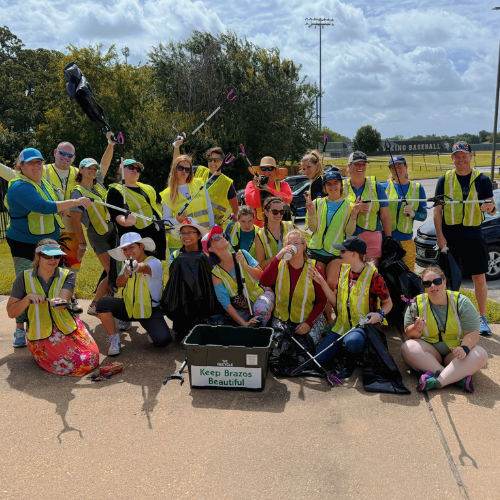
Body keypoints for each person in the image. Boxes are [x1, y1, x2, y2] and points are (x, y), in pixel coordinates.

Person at [5, 148, 91, 348]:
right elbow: (43, 207)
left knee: (49, 280)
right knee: (26, 283)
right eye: (30, 163)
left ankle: (48, 322)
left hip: (48, 241)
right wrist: (74, 202)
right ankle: (20, 329)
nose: (36, 166)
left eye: (39, 162)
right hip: (24, 242)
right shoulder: (19, 187)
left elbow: (54, 201)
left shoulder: (43, 182)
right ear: (21, 166)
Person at [6, 239, 99, 375]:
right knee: (74, 364)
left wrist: (59, 302)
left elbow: (62, 302)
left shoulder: (68, 275)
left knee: (92, 357)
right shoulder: (23, 277)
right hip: (39, 331)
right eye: (47, 256)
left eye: (56, 256)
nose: (53, 260)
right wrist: (27, 298)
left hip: (67, 327)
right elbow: (11, 312)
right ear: (37, 256)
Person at [434, 141, 497, 336]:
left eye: (464, 155)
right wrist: (440, 237)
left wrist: (491, 209)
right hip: (450, 238)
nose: (461, 159)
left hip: (474, 236)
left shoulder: (483, 180)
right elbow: (437, 212)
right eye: (457, 156)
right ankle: (448, 315)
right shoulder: (444, 180)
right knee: (447, 280)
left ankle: (481, 317)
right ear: (452, 158)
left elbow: (492, 208)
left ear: (471, 156)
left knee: (479, 277)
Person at [401, 266, 488, 393]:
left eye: (436, 281)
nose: (432, 286)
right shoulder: (416, 304)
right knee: (407, 348)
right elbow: (410, 334)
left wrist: (464, 348)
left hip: (455, 354)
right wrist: (416, 328)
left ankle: (438, 381)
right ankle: (455, 377)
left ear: (444, 281)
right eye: (427, 283)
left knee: (481, 354)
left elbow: (473, 332)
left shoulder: (461, 302)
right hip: (430, 354)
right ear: (424, 286)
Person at [312, 236, 392, 365]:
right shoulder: (344, 271)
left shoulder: (374, 276)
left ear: (353, 254)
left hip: (362, 326)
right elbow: (335, 300)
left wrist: (380, 314)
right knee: (319, 359)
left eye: (343, 251)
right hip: (342, 325)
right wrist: (322, 283)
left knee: (352, 343)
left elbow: (388, 303)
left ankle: (361, 350)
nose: (339, 254)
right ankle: (345, 347)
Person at [96, 233, 173, 355]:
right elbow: (119, 283)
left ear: (141, 246)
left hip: (149, 310)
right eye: (125, 250)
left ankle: (149, 328)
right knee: (102, 303)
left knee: (162, 341)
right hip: (129, 307)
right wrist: (126, 273)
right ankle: (114, 339)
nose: (128, 252)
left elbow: (144, 268)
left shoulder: (154, 262)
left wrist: (136, 267)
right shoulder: (127, 264)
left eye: (131, 247)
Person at [260, 230, 327, 346]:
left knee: (303, 349)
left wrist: (309, 323)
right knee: (278, 348)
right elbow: (264, 281)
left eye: (296, 243)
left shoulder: (314, 269)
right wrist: (277, 258)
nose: (292, 247)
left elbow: (322, 300)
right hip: (282, 319)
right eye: (288, 244)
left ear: (304, 246)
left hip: (306, 320)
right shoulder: (279, 264)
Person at [70, 158, 117, 315]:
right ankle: (95, 305)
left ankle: (106, 301)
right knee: (112, 271)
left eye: (94, 168)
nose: (92, 170)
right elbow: (75, 221)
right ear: (80, 170)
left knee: (116, 270)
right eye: (88, 168)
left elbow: (105, 163)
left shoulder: (99, 186)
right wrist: (82, 244)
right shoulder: (77, 192)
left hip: (112, 232)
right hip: (98, 236)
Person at [203, 226, 273, 326]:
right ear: (211, 248)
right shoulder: (217, 274)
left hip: (261, 294)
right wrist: (245, 323)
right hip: (243, 306)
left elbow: (261, 277)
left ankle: (264, 330)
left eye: (221, 235)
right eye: (216, 238)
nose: (222, 237)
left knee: (261, 311)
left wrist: (244, 264)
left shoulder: (243, 254)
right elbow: (225, 303)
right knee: (237, 324)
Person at [305, 171, 359, 289]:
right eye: (329, 184)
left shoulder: (349, 206)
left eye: (336, 182)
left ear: (341, 185)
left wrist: (354, 215)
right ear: (324, 187)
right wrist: (311, 212)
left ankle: (331, 307)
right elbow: (313, 228)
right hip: (316, 251)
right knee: (317, 286)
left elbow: (349, 233)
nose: (333, 186)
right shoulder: (316, 203)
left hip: (336, 253)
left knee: (331, 284)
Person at [106, 158, 167, 262]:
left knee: (154, 270)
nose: (135, 170)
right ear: (121, 170)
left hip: (156, 236)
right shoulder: (115, 191)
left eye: (138, 169)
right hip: (136, 240)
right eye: (131, 167)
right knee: (137, 272)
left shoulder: (146, 188)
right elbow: (117, 215)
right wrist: (126, 222)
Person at [343, 151, 392, 267]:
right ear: (349, 166)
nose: (360, 167)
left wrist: (389, 239)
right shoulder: (341, 187)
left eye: (363, 164)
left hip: (372, 238)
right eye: (357, 164)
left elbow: (385, 216)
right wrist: (354, 210)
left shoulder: (377, 186)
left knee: (371, 275)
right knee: (350, 274)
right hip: (348, 237)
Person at [161, 154, 214, 254]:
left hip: (202, 237)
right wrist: (176, 220)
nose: (184, 171)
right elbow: (165, 220)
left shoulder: (199, 184)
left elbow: (209, 207)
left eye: (187, 169)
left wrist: (212, 230)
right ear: (174, 169)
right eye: (180, 168)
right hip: (180, 242)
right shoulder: (167, 194)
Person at [382, 156, 427, 271]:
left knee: (408, 276)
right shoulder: (383, 188)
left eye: (399, 166)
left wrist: (413, 214)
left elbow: (423, 215)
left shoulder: (418, 188)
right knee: (387, 276)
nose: (396, 170)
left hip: (406, 241)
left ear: (406, 167)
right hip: (386, 241)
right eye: (393, 168)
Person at [192, 147, 239, 224]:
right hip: (194, 224)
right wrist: (177, 146)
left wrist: (234, 227)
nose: (212, 163)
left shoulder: (227, 183)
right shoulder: (199, 171)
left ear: (222, 162)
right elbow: (178, 166)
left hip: (213, 228)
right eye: (210, 160)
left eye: (216, 160)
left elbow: (235, 210)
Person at [244, 156, 293, 228]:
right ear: (260, 171)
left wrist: (269, 190)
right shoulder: (251, 185)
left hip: (279, 228)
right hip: (257, 229)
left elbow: (288, 198)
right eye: (263, 169)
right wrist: (257, 187)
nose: (267, 172)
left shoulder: (283, 185)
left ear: (275, 170)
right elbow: (254, 203)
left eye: (270, 168)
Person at [255, 197, 295, 269]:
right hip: (274, 277)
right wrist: (278, 256)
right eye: (275, 212)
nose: (279, 215)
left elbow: (304, 249)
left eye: (281, 212)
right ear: (266, 213)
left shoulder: (291, 227)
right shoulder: (260, 235)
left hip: (291, 274)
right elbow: (261, 266)